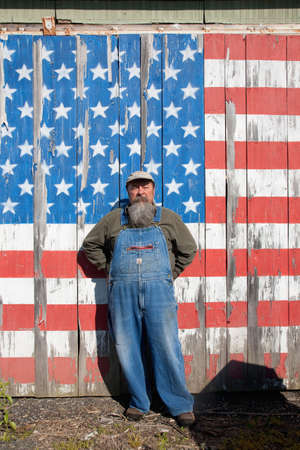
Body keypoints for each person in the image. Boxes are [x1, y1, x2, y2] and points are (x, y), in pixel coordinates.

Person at [82, 171, 197, 426]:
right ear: (128, 192)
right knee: (127, 347)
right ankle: (139, 402)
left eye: (145, 187)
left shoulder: (168, 219)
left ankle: (179, 405)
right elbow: (90, 245)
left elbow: (189, 249)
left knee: (167, 346)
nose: (140, 192)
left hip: (160, 293)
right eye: (135, 187)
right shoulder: (113, 220)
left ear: (153, 191)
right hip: (122, 294)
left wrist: (170, 273)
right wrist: (110, 269)